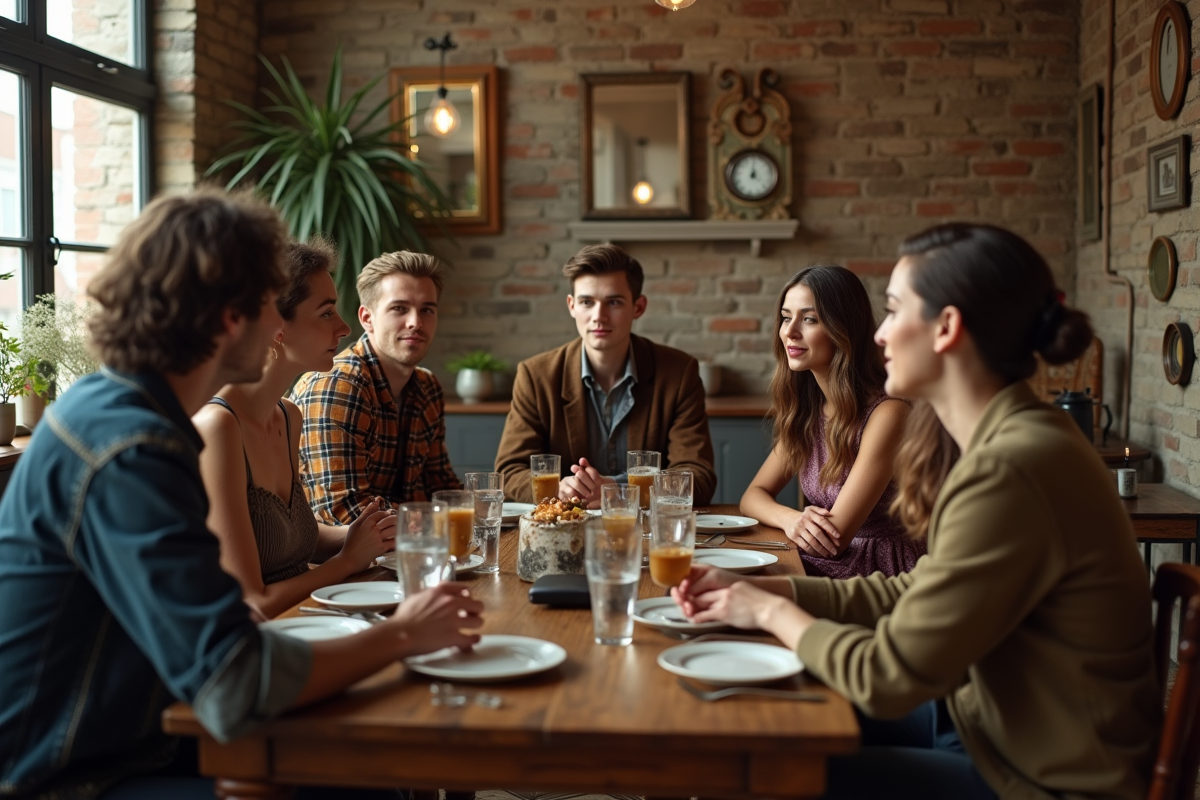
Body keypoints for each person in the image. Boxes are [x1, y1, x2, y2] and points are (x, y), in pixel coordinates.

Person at [0, 189, 483, 799]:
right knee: (368, 775)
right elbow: (233, 679)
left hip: (141, 736)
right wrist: (403, 634)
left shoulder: (125, 411)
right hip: (73, 774)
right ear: (234, 317)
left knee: (372, 766)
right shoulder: (132, 446)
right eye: (268, 304)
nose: (279, 322)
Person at [673, 224, 1160, 799]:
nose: (878, 334)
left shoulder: (1013, 467)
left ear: (946, 329)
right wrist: (776, 592)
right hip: (980, 720)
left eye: (895, 310)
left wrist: (771, 615)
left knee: (751, 772)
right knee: (750, 721)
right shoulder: (1013, 439)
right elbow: (912, 590)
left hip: (1035, 776)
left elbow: (887, 677)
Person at [194, 238, 395, 620]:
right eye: (326, 313)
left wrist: (371, 534)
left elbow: (288, 538)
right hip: (255, 644)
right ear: (273, 325)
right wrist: (348, 562)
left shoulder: (288, 415)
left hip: (307, 620)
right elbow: (251, 603)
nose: (344, 327)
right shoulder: (218, 427)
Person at [495, 244, 716, 506]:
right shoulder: (536, 376)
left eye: (613, 302)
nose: (599, 317)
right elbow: (509, 472)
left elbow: (698, 476)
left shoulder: (679, 373)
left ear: (638, 307)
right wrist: (558, 487)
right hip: (564, 530)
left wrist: (616, 489)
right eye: (587, 302)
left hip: (648, 532)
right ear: (572, 306)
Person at [740, 266, 922, 578]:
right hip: (825, 561)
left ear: (844, 329)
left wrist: (796, 525)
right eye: (786, 317)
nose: (790, 331)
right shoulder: (809, 411)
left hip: (879, 573)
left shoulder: (888, 414)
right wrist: (790, 519)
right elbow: (752, 495)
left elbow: (833, 539)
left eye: (809, 319)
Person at [292, 251, 462, 524]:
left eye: (427, 310)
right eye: (399, 308)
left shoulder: (427, 387)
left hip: (411, 552)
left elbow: (441, 487)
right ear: (367, 318)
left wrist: (487, 509)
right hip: (335, 562)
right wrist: (440, 521)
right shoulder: (339, 385)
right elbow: (343, 511)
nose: (415, 322)